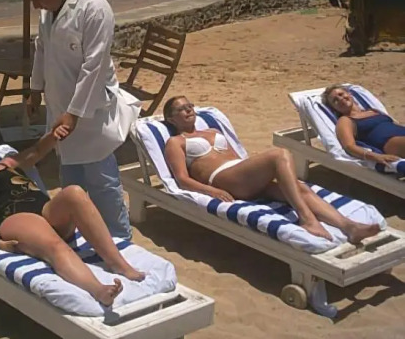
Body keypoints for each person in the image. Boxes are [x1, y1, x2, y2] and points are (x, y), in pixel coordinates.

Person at [0, 132, 144, 307]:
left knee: (75, 192)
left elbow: (36, 151)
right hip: (15, 217)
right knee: (55, 245)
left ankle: (119, 264)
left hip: (45, 209)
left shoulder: (4, 165)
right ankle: (99, 290)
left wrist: (54, 134)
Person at [19, 0, 138, 240]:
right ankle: (76, 234)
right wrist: (35, 90)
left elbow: (94, 66)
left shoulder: (94, 8)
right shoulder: (49, 9)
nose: (35, 6)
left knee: (101, 177)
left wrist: (74, 113)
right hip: (59, 103)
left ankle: (120, 235)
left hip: (90, 107)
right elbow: (42, 49)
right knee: (70, 177)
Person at [162, 96, 380, 244]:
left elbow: (237, 158)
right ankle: (307, 219)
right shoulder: (176, 141)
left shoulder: (212, 130)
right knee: (279, 154)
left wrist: (258, 174)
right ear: (171, 119)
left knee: (300, 188)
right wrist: (212, 191)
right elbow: (181, 179)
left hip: (242, 175)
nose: (188, 110)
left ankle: (349, 227)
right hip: (222, 179)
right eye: (181, 109)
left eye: (190, 106)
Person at [321, 84, 405, 162]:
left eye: (341, 94)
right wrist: (376, 156)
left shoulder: (373, 110)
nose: (340, 99)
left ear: (349, 94)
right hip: (390, 142)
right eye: (335, 100)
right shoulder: (345, 120)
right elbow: (349, 146)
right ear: (334, 108)